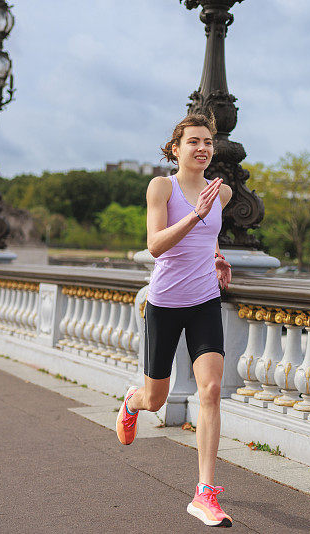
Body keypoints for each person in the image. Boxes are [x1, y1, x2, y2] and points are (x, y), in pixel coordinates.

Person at [115, 113, 234, 527]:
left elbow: (209, 236)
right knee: (157, 400)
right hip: (165, 304)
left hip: (204, 300)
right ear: (176, 148)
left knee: (212, 389)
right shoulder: (161, 187)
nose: (202, 148)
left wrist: (217, 257)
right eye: (193, 142)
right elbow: (155, 246)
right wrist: (195, 215)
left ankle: (204, 492)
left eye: (208, 142)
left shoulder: (222, 193)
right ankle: (133, 401)